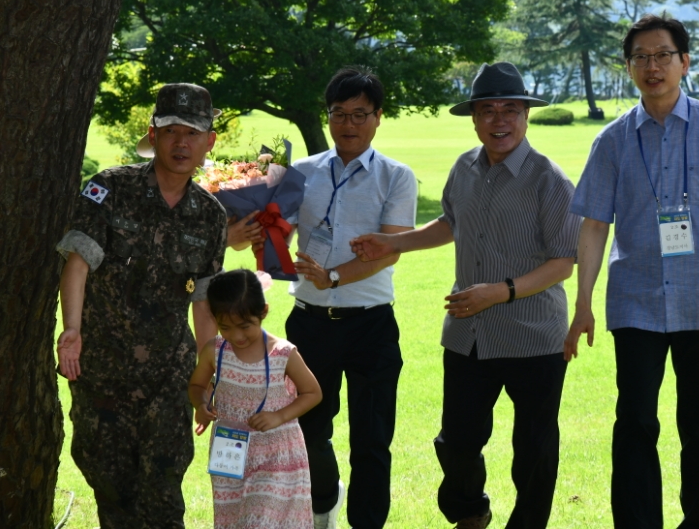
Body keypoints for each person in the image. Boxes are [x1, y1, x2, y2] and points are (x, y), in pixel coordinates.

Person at [564, 15, 699, 529]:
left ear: (685, 62)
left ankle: (696, 518)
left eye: (663, 55)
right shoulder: (612, 140)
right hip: (635, 297)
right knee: (635, 417)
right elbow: (594, 225)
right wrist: (583, 303)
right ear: (628, 67)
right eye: (641, 57)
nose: (652, 66)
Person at [351, 62, 581, 529]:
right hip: (467, 333)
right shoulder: (464, 168)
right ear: (474, 119)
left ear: (526, 116)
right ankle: (471, 513)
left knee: (534, 448)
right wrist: (394, 242)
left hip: (534, 337)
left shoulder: (550, 181)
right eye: (488, 110)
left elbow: (563, 261)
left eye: (510, 110)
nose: (500, 120)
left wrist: (500, 291)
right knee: (456, 441)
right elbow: (451, 223)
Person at [55, 83, 229, 528]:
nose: (181, 143)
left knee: (163, 491)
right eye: (171, 131)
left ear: (209, 142)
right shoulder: (110, 188)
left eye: (193, 133)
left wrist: (207, 370)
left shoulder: (210, 215)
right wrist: (71, 329)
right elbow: (78, 263)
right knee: (113, 489)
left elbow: (204, 301)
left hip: (169, 376)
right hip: (103, 370)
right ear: (153, 135)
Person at [268, 67, 417, 529]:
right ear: (327, 116)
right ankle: (322, 503)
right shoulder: (301, 172)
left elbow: (390, 249)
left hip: (371, 324)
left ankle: (367, 522)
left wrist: (332, 277)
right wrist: (262, 235)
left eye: (359, 114)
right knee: (308, 428)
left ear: (378, 117)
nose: (348, 124)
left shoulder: (396, 176)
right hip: (310, 323)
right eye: (339, 113)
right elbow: (278, 232)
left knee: (372, 438)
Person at [189, 269, 323, 529]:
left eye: (244, 326)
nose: (236, 336)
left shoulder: (283, 353)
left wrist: (279, 416)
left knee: (260, 522)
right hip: (231, 457)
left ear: (263, 312)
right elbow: (197, 385)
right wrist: (201, 404)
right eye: (225, 327)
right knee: (237, 522)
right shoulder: (215, 350)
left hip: (277, 457)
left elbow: (313, 393)